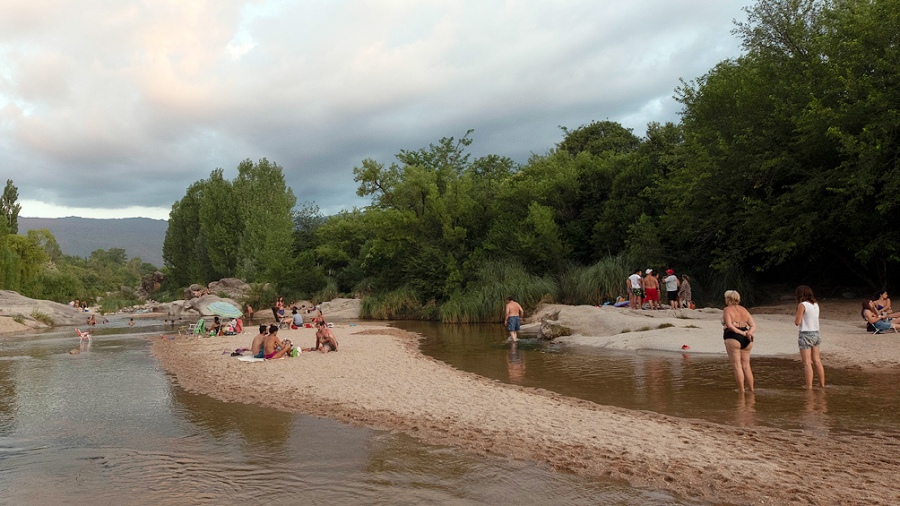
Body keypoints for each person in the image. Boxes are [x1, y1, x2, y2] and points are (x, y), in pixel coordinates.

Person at [722, 290, 756, 393]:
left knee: (737, 366)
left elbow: (729, 325)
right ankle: (751, 390)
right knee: (746, 366)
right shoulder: (744, 309)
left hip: (733, 337)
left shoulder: (727, 309)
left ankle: (741, 391)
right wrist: (748, 333)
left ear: (728, 299)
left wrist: (741, 333)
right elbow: (753, 325)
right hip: (747, 338)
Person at [794, 285, 825, 389]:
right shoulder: (816, 304)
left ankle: (809, 387)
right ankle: (822, 384)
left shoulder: (802, 305)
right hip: (816, 333)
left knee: (807, 362)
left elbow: (797, 322)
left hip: (805, 333)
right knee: (817, 360)